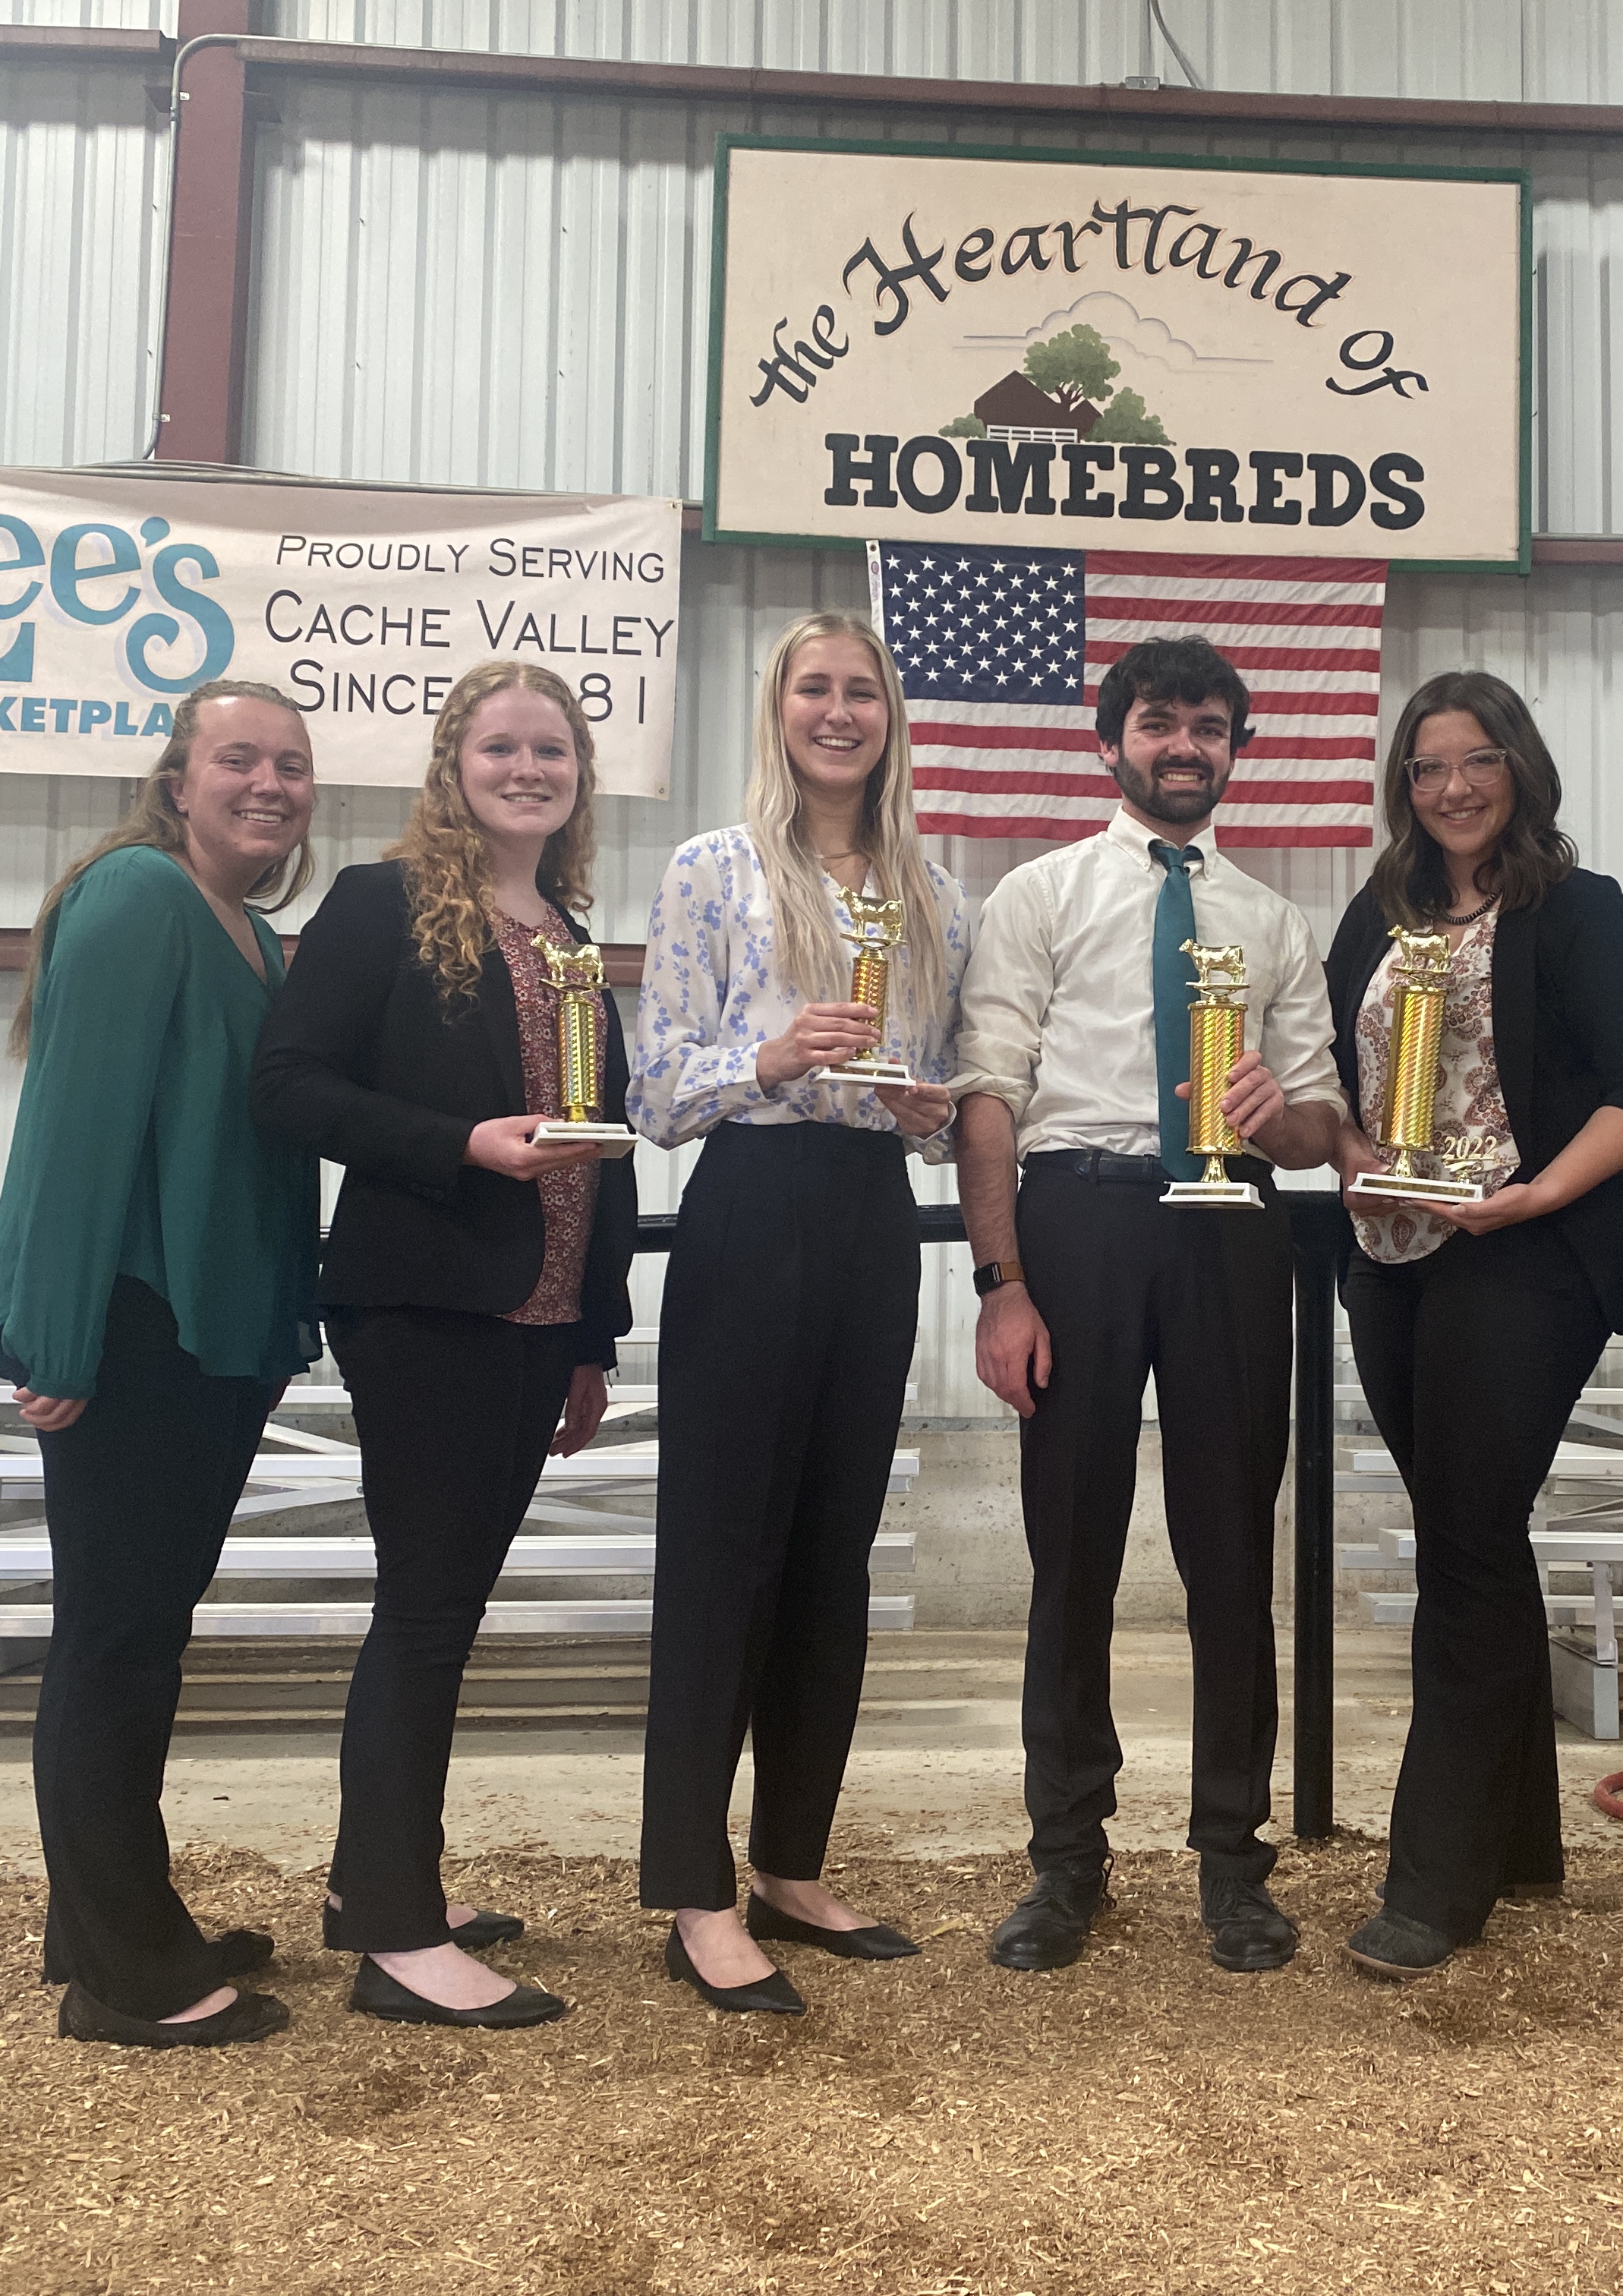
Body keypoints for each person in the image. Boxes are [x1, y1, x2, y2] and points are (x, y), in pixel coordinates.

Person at [953, 633, 1355, 1977]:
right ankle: (1068, 1860)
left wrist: (1277, 1115)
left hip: (1234, 1222)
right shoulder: (1040, 893)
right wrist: (1003, 1283)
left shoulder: (1272, 920)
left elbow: (1321, 1124)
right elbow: (991, 1094)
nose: (1185, 746)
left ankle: (1234, 1860)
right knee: (1069, 1546)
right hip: (1078, 1214)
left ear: (1237, 750)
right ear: (1111, 739)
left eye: (1209, 727)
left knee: (1232, 1546)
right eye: (1160, 723)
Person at [253, 659, 636, 2031]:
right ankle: (400, 1942)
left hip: (538, 1318)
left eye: (552, 749)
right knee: (423, 1615)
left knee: (445, 1612)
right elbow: (289, 1086)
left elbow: (605, 1155)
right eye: (501, 748)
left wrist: (594, 1334)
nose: (528, 769)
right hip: (425, 1307)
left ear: (578, 777)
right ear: (452, 767)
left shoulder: (571, 931)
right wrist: (459, 1147)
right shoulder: (381, 906)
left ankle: (376, 1884)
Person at [1322, 671, 1623, 1979]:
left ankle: (1436, 1881)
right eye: (1427, 768)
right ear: (1403, 788)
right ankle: (1523, 1838)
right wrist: (1357, 1154)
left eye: (1477, 760)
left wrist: (1535, 1193)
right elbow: (1339, 1084)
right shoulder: (1377, 916)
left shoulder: (1580, 913)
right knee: (1469, 1535)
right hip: (1394, 1255)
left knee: (1465, 1542)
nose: (1453, 787)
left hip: (1531, 1250)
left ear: (1520, 769)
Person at [627, 612, 969, 2016]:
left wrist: (925, 1106)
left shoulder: (929, 888)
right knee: (725, 1551)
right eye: (814, 689)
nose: (839, 712)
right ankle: (692, 1891)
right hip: (749, 1202)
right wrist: (769, 1056)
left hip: (869, 1210)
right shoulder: (714, 869)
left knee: (834, 1548)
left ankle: (789, 1861)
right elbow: (653, 1092)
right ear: (776, 710)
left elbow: (944, 1100)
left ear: (892, 717)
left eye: (863, 691)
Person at [0, 679, 322, 2049]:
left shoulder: (258, 937)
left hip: (209, 1334)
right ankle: (123, 1971)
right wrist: (50, 1340)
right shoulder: (134, 899)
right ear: (178, 778)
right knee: (116, 1641)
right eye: (239, 759)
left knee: (144, 1638)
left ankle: (111, 1908)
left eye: (290, 765)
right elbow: (72, 1132)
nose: (269, 784)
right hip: (129, 1328)